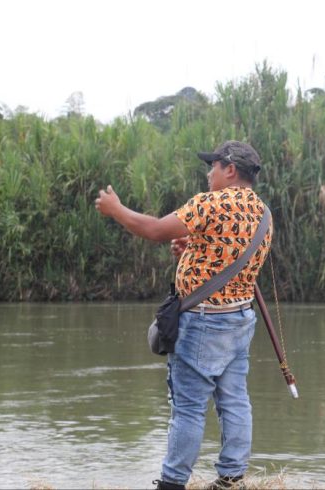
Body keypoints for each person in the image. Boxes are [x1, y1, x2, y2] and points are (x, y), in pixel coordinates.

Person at [94, 140, 272, 490]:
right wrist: (194, 248)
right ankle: (232, 478)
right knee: (235, 399)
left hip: (203, 321)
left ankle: (172, 483)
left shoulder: (210, 203)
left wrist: (116, 210)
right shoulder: (263, 213)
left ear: (230, 170)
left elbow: (155, 231)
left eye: (214, 166)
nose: (209, 174)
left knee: (188, 408)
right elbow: (230, 256)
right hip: (239, 319)